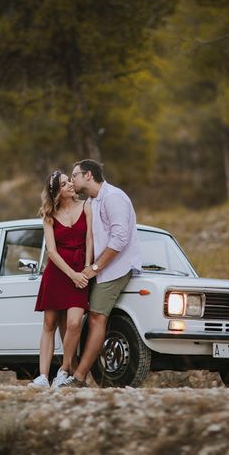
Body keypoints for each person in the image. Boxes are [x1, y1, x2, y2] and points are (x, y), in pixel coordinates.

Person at [59, 159, 141, 388]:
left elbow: (120, 238)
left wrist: (95, 268)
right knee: (70, 316)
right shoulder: (94, 201)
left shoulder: (114, 197)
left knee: (96, 318)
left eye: (74, 175)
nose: (72, 180)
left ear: (88, 176)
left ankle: (79, 377)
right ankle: (69, 369)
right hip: (98, 270)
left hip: (115, 268)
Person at [29, 170, 93, 388]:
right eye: (65, 184)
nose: (70, 185)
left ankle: (64, 370)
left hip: (80, 272)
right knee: (49, 323)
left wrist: (86, 269)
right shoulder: (48, 215)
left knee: (75, 322)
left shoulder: (86, 206)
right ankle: (42, 377)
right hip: (58, 272)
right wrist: (72, 274)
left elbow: (90, 238)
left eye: (69, 181)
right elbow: (51, 252)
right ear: (57, 192)